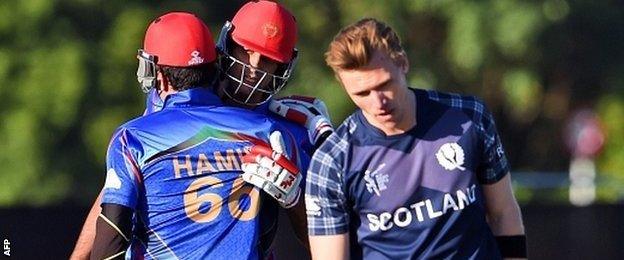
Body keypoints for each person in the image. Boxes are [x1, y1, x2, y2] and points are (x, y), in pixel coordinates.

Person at [72, 2, 333, 259]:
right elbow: (121, 185)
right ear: (226, 44)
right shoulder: (177, 93)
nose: (253, 69)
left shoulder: (286, 129)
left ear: (283, 67)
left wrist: (296, 199)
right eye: (245, 51)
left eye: (268, 60)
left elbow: (330, 242)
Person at [305, 18, 527, 259]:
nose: (378, 102)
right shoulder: (332, 161)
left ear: (403, 63)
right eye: (362, 93)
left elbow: (503, 212)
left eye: (385, 84)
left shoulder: (469, 117)